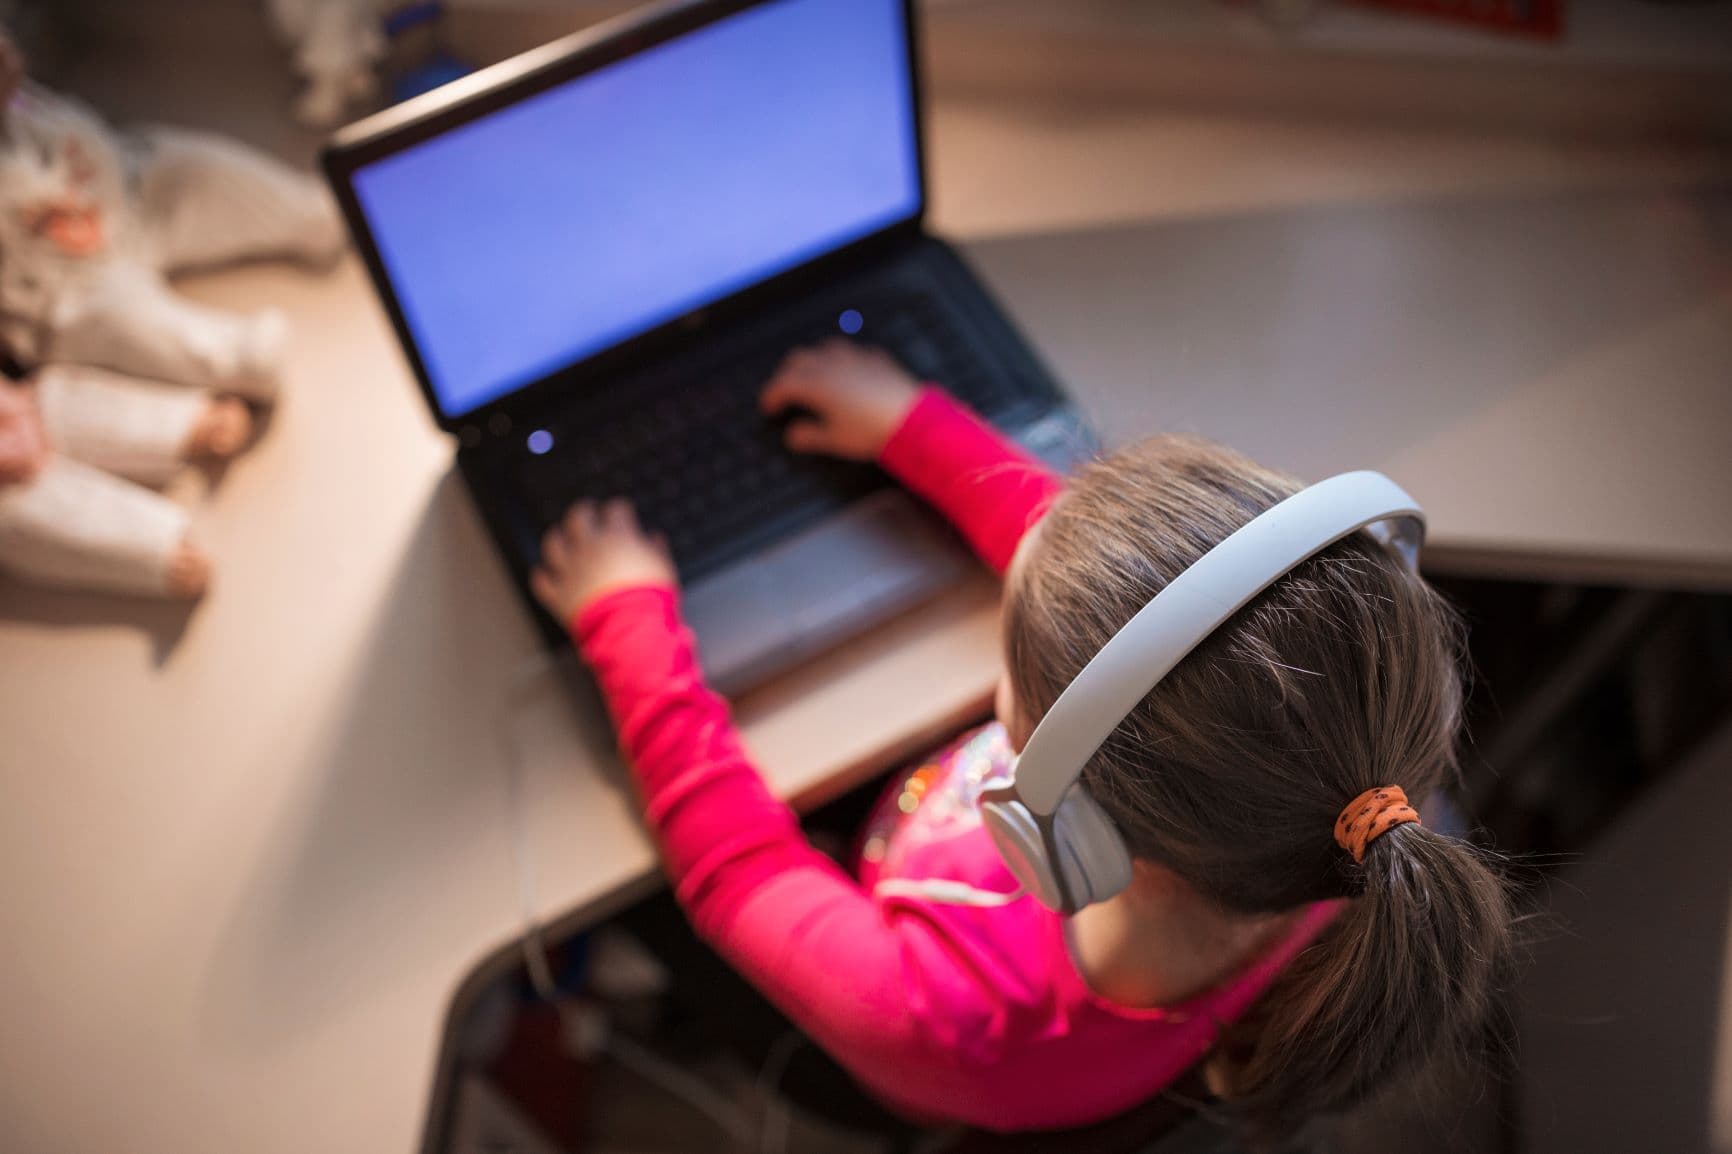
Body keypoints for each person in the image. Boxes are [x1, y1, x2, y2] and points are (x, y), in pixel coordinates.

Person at [528, 340, 1514, 1137]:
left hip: (886, 936)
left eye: (1011, 673)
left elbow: (736, 869)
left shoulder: (942, 1019)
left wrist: (627, 621)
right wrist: (915, 427)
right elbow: (1139, 617)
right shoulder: (1348, 808)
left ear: (1065, 824)